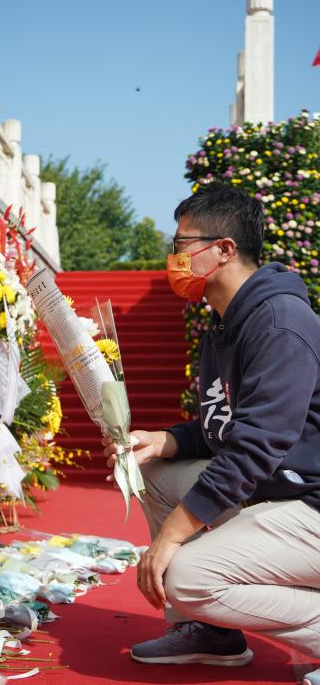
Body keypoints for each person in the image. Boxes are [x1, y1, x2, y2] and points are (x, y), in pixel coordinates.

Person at [103, 182, 320, 685]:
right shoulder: (226, 321)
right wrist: (165, 439)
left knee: (186, 575)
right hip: (279, 491)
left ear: (223, 250)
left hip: (310, 503)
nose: (173, 259)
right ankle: (209, 633)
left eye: (182, 246)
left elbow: (256, 445)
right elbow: (223, 427)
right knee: (155, 472)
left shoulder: (281, 322)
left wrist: (170, 540)